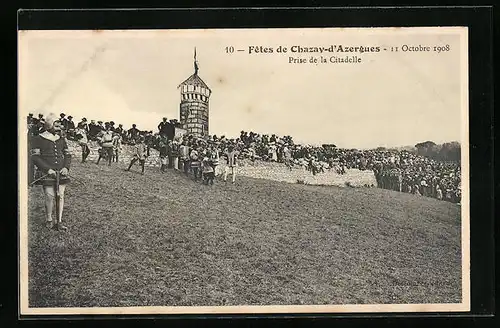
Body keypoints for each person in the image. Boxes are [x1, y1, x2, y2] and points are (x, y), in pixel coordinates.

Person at [30, 113, 71, 231]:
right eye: (56, 125)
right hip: (46, 172)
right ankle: (49, 219)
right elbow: (36, 157)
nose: (59, 128)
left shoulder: (62, 139)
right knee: (49, 196)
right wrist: (47, 169)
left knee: (60, 195)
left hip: (61, 172)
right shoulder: (38, 138)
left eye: (59, 125)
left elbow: (67, 155)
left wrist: (66, 168)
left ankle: (59, 221)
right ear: (49, 124)